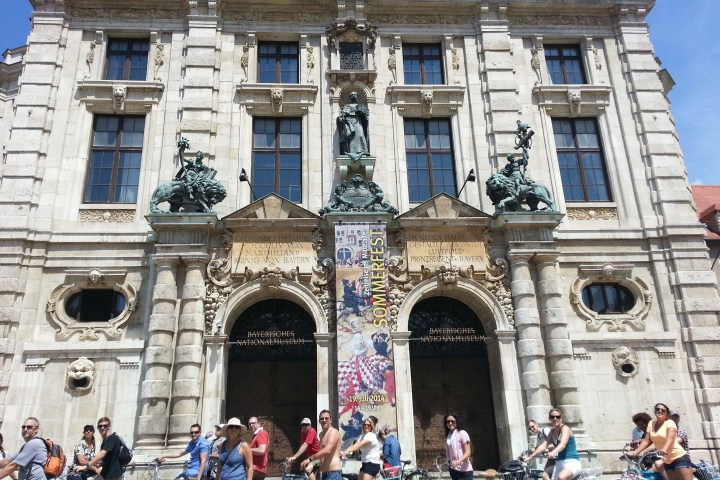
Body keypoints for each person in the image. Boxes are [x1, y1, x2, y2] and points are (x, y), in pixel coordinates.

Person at [631, 403, 693, 480]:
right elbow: (647, 441)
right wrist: (635, 452)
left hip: (679, 457)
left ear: (666, 414)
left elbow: (670, 438)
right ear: (654, 411)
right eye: (657, 409)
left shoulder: (670, 423)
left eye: (663, 410)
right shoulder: (651, 424)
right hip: (666, 460)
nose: (660, 411)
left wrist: (664, 449)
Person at [539, 408, 581, 480]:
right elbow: (544, 444)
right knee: (545, 476)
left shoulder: (565, 428)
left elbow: (562, 444)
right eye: (552, 417)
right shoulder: (552, 431)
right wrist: (531, 456)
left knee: (561, 477)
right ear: (549, 418)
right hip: (560, 462)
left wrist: (553, 452)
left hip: (572, 461)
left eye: (558, 417)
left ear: (561, 418)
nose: (555, 419)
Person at [301, 410, 342, 480]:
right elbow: (322, 455)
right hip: (324, 474)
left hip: (334, 474)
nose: (324, 420)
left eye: (326, 418)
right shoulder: (321, 435)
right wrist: (312, 464)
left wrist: (310, 459)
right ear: (319, 421)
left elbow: (327, 451)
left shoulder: (333, 432)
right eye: (322, 418)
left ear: (331, 420)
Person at [336, 91, 369, 158]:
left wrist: (361, 113)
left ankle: (362, 151)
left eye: (355, 94)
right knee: (351, 138)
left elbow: (366, 118)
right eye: (352, 95)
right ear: (350, 97)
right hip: (350, 123)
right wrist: (343, 116)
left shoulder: (361, 106)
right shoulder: (346, 106)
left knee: (360, 135)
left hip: (358, 122)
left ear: (357, 96)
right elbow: (342, 116)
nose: (353, 96)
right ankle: (350, 151)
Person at [443, 414, 472, 480]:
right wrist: (445, 455)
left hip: (464, 471)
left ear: (457, 422)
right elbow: (451, 451)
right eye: (448, 422)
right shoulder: (449, 436)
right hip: (453, 470)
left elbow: (468, 452)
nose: (450, 423)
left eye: (452, 421)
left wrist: (458, 461)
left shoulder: (462, 433)